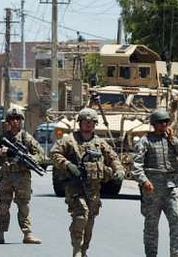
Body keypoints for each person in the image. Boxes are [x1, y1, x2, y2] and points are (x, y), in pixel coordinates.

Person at [51, 108, 124, 257]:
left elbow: (114, 158)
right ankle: (76, 249)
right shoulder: (69, 140)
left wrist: (119, 171)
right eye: (86, 122)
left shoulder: (100, 143)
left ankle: (84, 250)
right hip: (75, 187)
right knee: (80, 216)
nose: (89, 125)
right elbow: (55, 153)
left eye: (92, 122)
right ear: (80, 123)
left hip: (93, 189)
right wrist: (67, 165)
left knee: (89, 222)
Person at [132, 109, 178, 257]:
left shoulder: (171, 140)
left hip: (171, 187)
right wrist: (144, 181)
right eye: (160, 122)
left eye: (166, 122)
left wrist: (173, 139)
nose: (164, 124)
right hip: (152, 189)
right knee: (151, 226)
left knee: (177, 221)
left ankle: (177, 253)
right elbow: (136, 166)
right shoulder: (145, 141)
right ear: (153, 124)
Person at [0, 106, 43, 245]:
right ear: (8, 121)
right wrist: (1, 152)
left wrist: (30, 159)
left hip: (22, 177)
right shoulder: (3, 137)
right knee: (4, 206)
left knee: (23, 206)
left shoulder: (26, 137)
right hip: (6, 176)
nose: (15, 122)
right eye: (12, 119)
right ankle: (0, 234)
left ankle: (27, 234)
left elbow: (40, 154)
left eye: (18, 119)